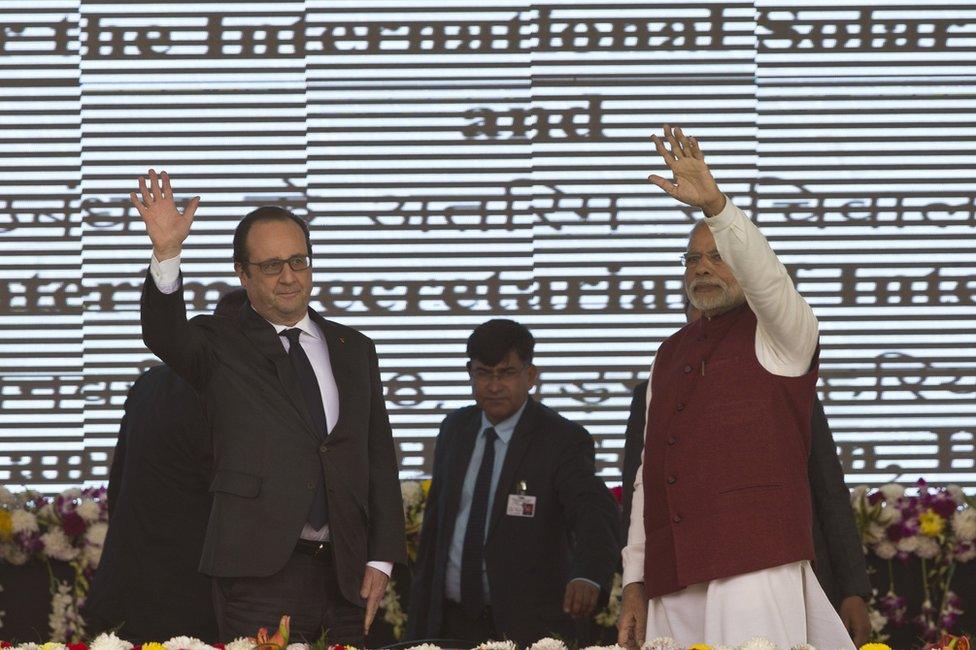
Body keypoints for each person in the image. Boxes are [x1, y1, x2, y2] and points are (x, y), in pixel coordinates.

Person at [131, 170, 406, 642]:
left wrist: (381, 557)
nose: (288, 277)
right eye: (271, 265)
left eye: (298, 262)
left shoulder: (354, 347)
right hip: (257, 573)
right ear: (242, 273)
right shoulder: (219, 344)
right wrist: (167, 254)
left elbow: (377, 455)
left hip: (346, 577)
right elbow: (164, 333)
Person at [617, 126, 856, 649]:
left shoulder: (783, 335)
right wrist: (634, 579)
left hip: (753, 566)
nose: (702, 267)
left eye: (717, 255)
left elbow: (769, 279)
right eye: (692, 259)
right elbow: (646, 474)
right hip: (673, 572)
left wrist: (718, 209)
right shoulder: (669, 352)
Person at [620, 317, 871, 646]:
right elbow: (642, 491)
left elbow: (827, 488)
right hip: (679, 581)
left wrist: (853, 588)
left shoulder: (782, 379)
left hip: (770, 569)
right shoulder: (659, 387)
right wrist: (634, 581)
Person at [407, 319, 620, 646]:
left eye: (506, 373)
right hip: (448, 623)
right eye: (483, 373)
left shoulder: (562, 439)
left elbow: (592, 513)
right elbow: (437, 529)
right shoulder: (454, 429)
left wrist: (588, 574)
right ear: (470, 374)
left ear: (530, 376)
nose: (494, 386)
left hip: (527, 625)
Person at [84, 289, 248, 642]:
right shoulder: (222, 394)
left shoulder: (150, 381)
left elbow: (118, 483)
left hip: (123, 584)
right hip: (184, 604)